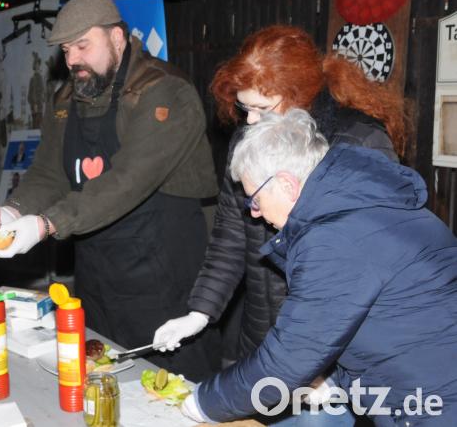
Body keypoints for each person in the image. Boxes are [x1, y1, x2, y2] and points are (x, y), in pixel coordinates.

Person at [153, 25, 405, 389]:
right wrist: (200, 312)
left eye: (262, 108)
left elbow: (375, 266)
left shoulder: (360, 141)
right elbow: (230, 236)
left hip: (334, 349)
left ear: (300, 96)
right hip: (262, 334)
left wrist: (332, 370)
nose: (250, 121)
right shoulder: (248, 139)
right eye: (244, 107)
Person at [0, 0, 220, 380]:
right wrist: (12, 211)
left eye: (83, 45)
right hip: (98, 276)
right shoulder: (67, 99)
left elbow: (127, 181)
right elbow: (48, 174)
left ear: (117, 38)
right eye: (66, 50)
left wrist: (46, 224)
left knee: (171, 393)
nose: (73, 60)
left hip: (163, 276)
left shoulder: (167, 92)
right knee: (106, 384)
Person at [180, 109, 457, 427]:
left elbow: (287, 360)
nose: (254, 213)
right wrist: (333, 378)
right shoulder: (361, 207)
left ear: (285, 185)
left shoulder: (334, 237)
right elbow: (381, 319)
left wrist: (203, 403)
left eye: (254, 199)